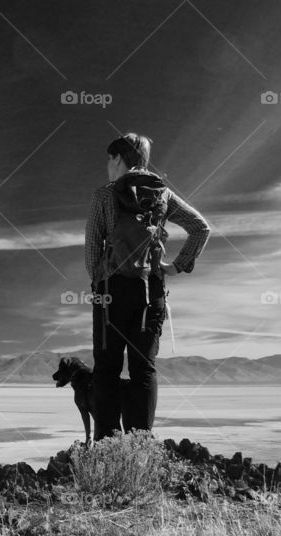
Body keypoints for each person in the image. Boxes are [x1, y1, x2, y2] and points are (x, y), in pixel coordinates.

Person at [84, 132, 210, 440]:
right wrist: (175, 267)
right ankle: (141, 447)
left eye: (109, 160)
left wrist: (100, 283)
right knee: (143, 369)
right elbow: (200, 228)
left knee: (107, 369)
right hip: (150, 291)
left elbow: (91, 251)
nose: (107, 166)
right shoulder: (162, 194)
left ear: (117, 159)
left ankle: (107, 447)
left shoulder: (104, 194)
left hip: (110, 294)